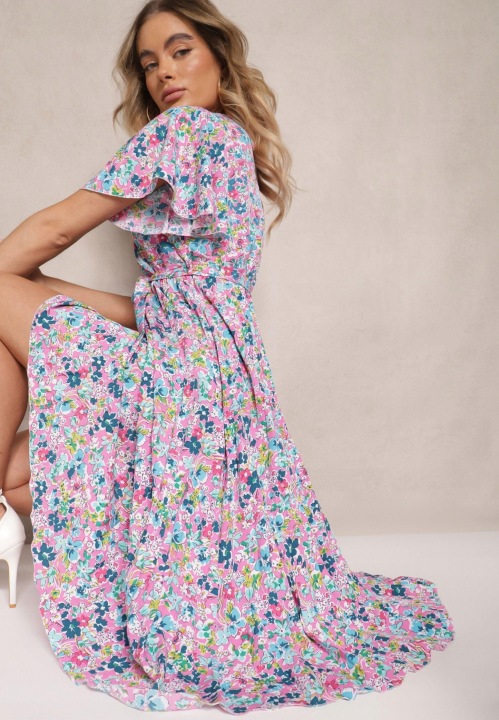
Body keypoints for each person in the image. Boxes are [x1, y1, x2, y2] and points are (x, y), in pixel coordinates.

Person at [0, 0, 455, 714]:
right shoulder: (232, 143)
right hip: (218, 378)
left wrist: (17, 276)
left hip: (182, 373)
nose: (164, 73)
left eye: (180, 50)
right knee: (19, 469)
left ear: (217, 54)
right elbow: (180, 302)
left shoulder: (183, 132)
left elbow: (56, 227)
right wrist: (43, 288)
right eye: (150, 63)